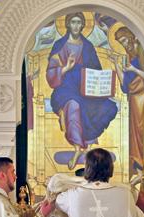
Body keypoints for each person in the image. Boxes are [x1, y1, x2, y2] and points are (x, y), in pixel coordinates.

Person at [46, 12, 118, 169]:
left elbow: (97, 71)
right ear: (67, 24)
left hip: (86, 89)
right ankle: (77, 148)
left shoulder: (88, 46)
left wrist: (103, 88)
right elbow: (50, 74)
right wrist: (66, 68)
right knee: (74, 105)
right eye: (73, 22)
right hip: (65, 89)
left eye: (79, 22)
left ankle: (90, 145)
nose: (76, 26)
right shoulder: (60, 45)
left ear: (83, 25)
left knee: (108, 106)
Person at [111, 26, 144, 175]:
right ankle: (138, 166)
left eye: (125, 40)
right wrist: (116, 64)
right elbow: (126, 85)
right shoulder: (129, 57)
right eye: (121, 42)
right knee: (135, 132)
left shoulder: (143, 52)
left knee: (142, 130)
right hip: (134, 97)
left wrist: (134, 70)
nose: (124, 44)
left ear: (131, 37)